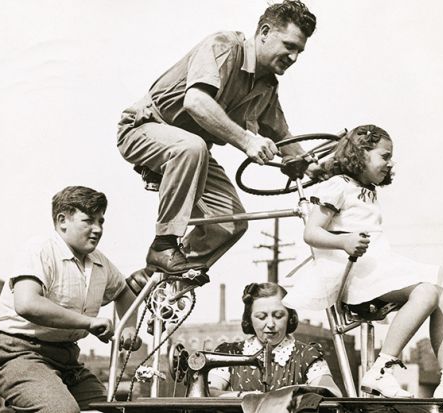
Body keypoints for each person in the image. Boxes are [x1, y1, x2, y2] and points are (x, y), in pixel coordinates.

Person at [118, 1, 325, 289]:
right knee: (192, 147)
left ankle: (160, 285)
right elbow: (196, 102)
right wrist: (246, 140)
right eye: (289, 45)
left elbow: (282, 135)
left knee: (230, 223)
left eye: (299, 51)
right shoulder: (225, 45)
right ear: (264, 32)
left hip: (191, 151)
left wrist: (313, 165)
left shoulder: (267, 85)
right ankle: (163, 244)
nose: (293, 56)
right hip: (145, 129)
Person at [282, 125, 443, 413]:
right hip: (353, 277)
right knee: (426, 291)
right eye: (384, 156)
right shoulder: (338, 186)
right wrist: (345, 241)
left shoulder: (365, 189)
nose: (389, 163)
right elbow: (311, 233)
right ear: (360, 154)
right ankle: (381, 369)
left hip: (375, 270)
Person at [0, 186, 142, 413]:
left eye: (101, 221)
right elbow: (27, 304)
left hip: (66, 358)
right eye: (88, 221)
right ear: (62, 220)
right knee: (62, 411)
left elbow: (123, 291)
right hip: (16, 353)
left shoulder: (99, 263)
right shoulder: (41, 249)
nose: (97, 229)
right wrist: (88, 322)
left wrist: (129, 328)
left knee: (108, 410)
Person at [208, 282, 342, 397]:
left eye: (278, 316)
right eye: (261, 317)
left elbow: (332, 391)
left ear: (290, 317)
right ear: (249, 319)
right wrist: (242, 396)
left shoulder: (307, 355)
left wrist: (294, 392)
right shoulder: (230, 353)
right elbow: (209, 391)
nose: (271, 324)